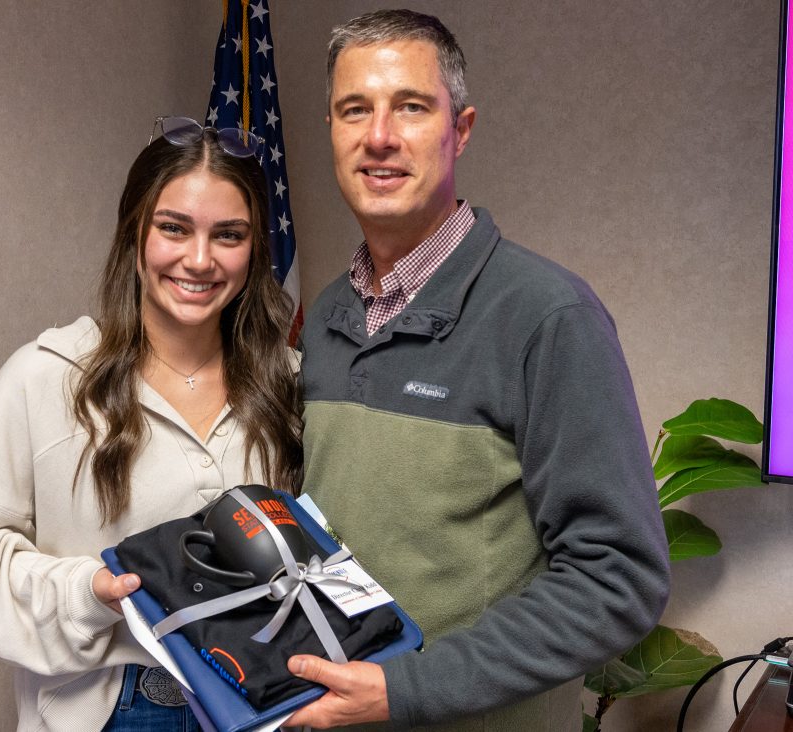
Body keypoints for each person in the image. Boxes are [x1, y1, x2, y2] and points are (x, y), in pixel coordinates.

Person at [285, 9, 670, 731]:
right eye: (353, 110)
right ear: (332, 132)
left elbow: (617, 579)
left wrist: (406, 689)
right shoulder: (330, 315)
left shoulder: (549, 316)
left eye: (411, 106)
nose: (379, 137)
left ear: (460, 130)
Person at [0, 118, 302, 732]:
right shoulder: (46, 380)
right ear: (135, 236)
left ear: (255, 249)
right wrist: (88, 592)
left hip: (266, 701)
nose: (200, 259)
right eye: (174, 229)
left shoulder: (291, 384)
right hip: (121, 706)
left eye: (228, 235)